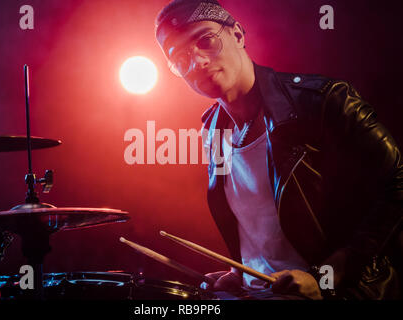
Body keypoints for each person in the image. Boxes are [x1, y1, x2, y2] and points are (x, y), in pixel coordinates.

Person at [154, 0, 402, 299]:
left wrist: (328, 275)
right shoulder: (212, 131)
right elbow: (260, 228)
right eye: (180, 57)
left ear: (237, 35)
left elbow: (397, 186)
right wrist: (242, 272)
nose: (198, 62)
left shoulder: (322, 101)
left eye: (206, 40)